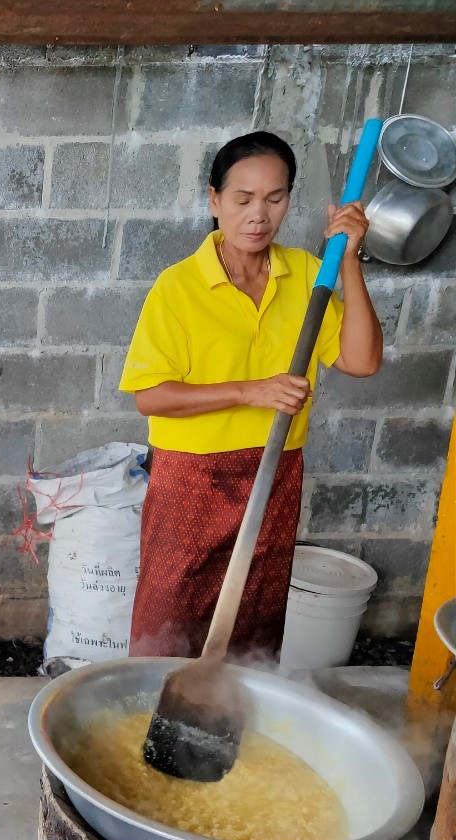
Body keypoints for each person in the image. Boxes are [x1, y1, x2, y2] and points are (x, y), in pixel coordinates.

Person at [119, 131, 381, 661]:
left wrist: (348, 258)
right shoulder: (179, 288)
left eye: (275, 198)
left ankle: (228, 728)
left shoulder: (308, 273)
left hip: (274, 468)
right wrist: (250, 391)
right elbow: (150, 396)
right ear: (214, 200)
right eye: (242, 200)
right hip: (191, 477)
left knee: (253, 618)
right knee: (170, 617)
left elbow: (362, 360)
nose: (258, 215)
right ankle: (150, 723)